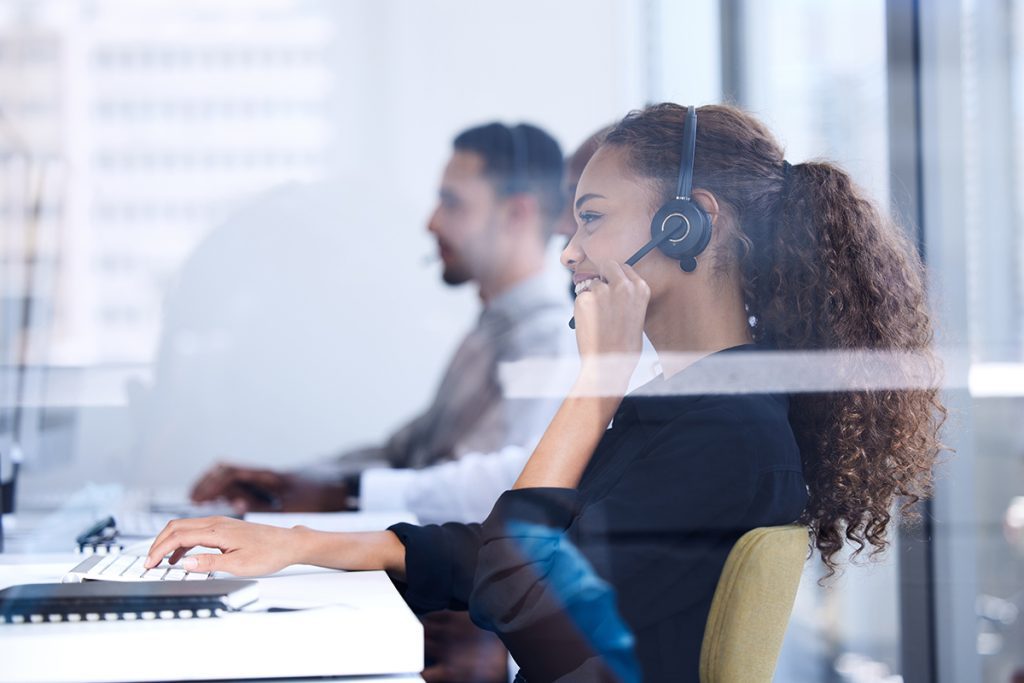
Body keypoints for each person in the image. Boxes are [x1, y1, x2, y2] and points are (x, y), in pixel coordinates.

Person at [147, 103, 945, 682]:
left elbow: (514, 583)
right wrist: (297, 542)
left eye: (591, 219)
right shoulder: (691, 407)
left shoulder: (726, 434)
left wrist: (597, 383)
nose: (568, 253)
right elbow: (511, 549)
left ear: (688, 225)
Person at [189, 122, 574, 520]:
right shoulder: (493, 330)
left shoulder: (547, 342)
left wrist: (343, 493)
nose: (432, 223)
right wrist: (289, 482)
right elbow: (405, 453)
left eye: (452, 203)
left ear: (516, 214)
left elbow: (503, 487)